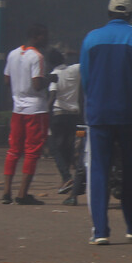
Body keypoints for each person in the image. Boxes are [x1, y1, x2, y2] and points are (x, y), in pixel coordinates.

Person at [79, 0, 132, 245]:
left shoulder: (90, 38)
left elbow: (87, 79)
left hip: (99, 114)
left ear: (108, 13)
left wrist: (92, 106)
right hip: (129, 114)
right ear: (130, 15)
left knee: (98, 169)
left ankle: (100, 231)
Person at [2, 23, 50, 205]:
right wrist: (50, 79)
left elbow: (6, 81)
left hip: (17, 109)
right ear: (37, 37)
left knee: (13, 150)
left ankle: (6, 192)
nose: (47, 39)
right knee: (32, 152)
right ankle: (22, 193)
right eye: (45, 36)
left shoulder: (13, 54)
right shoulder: (37, 56)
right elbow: (37, 85)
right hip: (35, 109)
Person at [48, 48, 81, 193]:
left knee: (55, 147)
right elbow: (86, 62)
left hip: (59, 113)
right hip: (73, 114)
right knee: (68, 147)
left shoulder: (54, 74)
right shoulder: (75, 70)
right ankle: (66, 180)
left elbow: (53, 95)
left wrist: (46, 114)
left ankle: (66, 176)